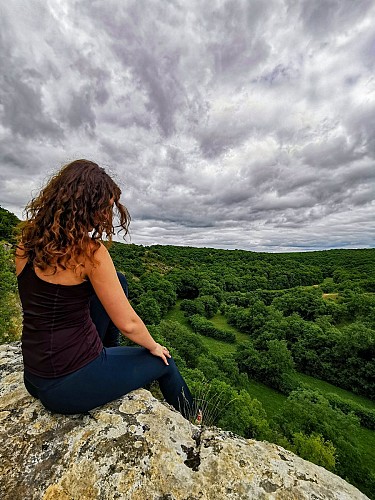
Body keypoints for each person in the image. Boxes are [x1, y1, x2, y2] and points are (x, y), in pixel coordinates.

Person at [15, 159, 194, 418]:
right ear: (86, 207)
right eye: (104, 208)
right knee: (165, 363)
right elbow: (128, 323)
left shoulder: (26, 243)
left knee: (118, 281)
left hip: (33, 377)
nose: (105, 217)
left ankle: (107, 353)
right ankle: (197, 422)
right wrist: (154, 346)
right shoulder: (89, 252)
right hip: (67, 386)